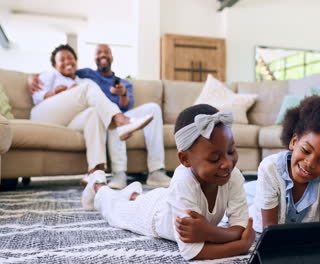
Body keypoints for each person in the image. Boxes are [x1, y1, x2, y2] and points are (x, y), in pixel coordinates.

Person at [81, 104, 255, 260]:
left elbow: (241, 228)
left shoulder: (234, 176)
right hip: (150, 215)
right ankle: (97, 184)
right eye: (215, 158)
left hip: (166, 199)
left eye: (231, 152)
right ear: (185, 159)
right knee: (114, 210)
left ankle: (134, 195)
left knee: (154, 198)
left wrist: (209, 232)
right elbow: (193, 252)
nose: (227, 164)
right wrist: (241, 245)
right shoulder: (183, 181)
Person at [29, 44, 170, 188]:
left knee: (95, 113)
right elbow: (37, 95)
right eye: (62, 59)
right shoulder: (51, 75)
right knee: (89, 88)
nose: (67, 62)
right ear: (54, 65)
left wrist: (122, 94)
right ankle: (121, 120)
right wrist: (52, 91)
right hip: (44, 115)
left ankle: (95, 172)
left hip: (70, 119)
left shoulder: (82, 80)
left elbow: (125, 104)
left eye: (70, 58)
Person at [246, 95, 320, 233]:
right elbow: (269, 230)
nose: (310, 163)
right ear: (294, 141)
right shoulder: (270, 168)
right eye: (306, 150)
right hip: (257, 217)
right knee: (244, 196)